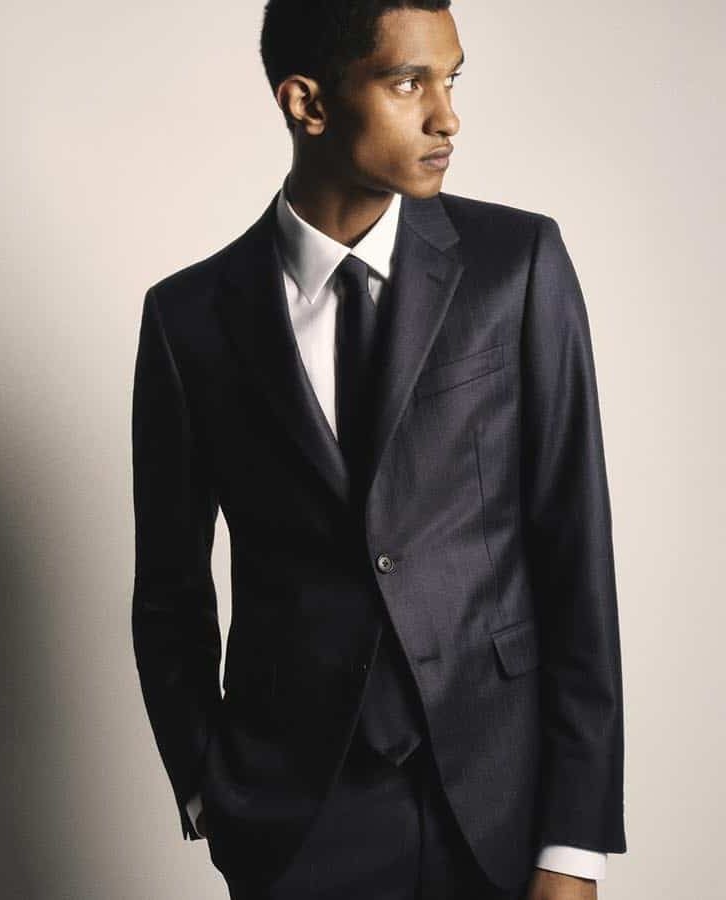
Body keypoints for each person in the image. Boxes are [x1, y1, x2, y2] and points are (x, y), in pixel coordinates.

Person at [129, 2, 626, 898]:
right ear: (306, 103)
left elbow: (573, 548)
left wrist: (574, 841)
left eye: (452, 78)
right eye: (408, 81)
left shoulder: (517, 264)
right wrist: (210, 790)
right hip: (296, 818)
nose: (447, 116)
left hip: (501, 798)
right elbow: (169, 589)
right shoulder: (189, 319)